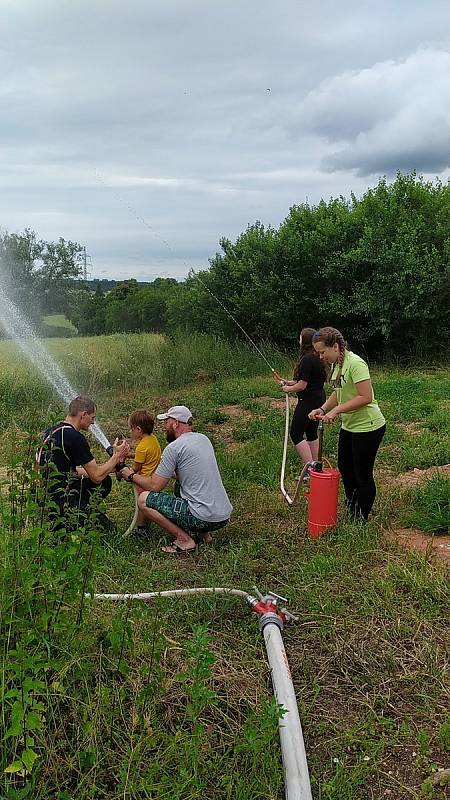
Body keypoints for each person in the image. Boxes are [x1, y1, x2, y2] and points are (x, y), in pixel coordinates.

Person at [119, 405, 233, 554]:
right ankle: (204, 536)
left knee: (143, 499)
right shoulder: (203, 439)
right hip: (222, 516)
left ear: (176, 423)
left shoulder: (174, 448)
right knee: (180, 485)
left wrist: (131, 475)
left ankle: (185, 540)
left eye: (167, 422)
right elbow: (185, 473)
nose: (165, 427)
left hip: (202, 518)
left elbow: (155, 486)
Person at [308, 327, 386, 521]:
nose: (320, 357)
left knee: (362, 473)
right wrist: (324, 409)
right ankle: (352, 508)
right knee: (345, 468)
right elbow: (338, 392)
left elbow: (365, 397)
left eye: (322, 352)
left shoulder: (356, 363)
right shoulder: (337, 364)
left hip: (368, 426)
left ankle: (361, 517)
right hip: (349, 426)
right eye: (318, 353)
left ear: (335, 346)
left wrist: (337, 411)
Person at [37, 396, 129, 530]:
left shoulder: (52, 431)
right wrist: (116, 456)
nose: (93, 423)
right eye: (92, 418)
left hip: (45, 493)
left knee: (106, 481)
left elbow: (69, 471)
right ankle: (76, 513)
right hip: (60, 497)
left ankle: (81, 508)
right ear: (84, 414)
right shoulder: (75, 437)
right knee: (109, 530)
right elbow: (96, 477)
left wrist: (110, 468)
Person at [278, 327, 326, 476]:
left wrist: (287, 389)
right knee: (311, 433)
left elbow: (303, 385)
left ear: (304, 340)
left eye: (300, 337)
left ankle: (309, 469)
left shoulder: (306, 359)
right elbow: (304, 381)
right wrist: (288, 382)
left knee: (296, 433)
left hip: (308, 401)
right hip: (319, 399)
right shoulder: (317, 356)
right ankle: (315, 467)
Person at [127, 409, 161, 535]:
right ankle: (148, 524)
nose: (131, 432)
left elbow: (136, 468)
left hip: (144, 480)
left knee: (141, 504)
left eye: (131, 429)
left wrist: (124, 471)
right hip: (156, 478)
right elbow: (146, 456)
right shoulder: (152, 440)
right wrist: (130, 455)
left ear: (139, 429)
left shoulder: (141, 447)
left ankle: (141, 529)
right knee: (149, 503)